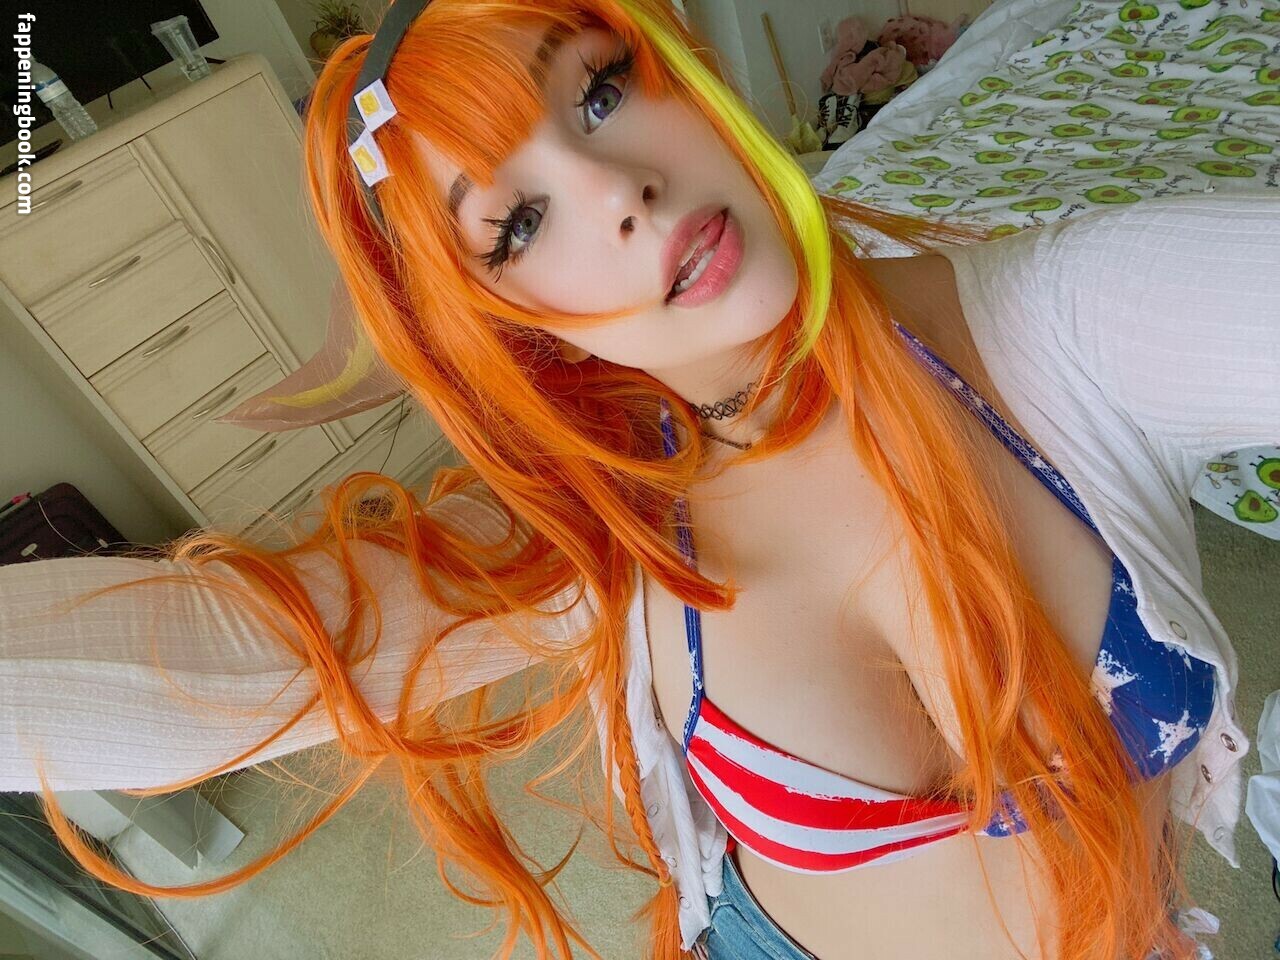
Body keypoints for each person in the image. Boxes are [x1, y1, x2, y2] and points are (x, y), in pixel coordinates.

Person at [1, 1, 1275, 957]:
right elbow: (209, 665)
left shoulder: (1063, 323)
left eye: (600, 92)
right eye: (517, 223)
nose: (617, 192)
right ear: (506, 321)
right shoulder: (595, 524)